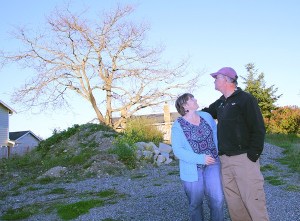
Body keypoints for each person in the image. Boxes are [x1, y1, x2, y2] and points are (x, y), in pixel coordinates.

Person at [203, 67, 269, 221]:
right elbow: (205, 113)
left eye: (216, 77)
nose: (214, 81)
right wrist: (187, 110)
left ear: (227, 79)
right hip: (225, 161)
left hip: (244, 160)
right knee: (235, 205)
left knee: (253, 202)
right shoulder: (220, 103)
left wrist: (252, 155)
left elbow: (258, 128)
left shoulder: (245, 99)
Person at [171, 93, 224, 221]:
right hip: (192, 168)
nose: (195, 99)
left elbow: (216, 135)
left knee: (217, 200)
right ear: (185, 105)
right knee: (195, 203)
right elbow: (178, 150)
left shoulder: (206, 116)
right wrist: (201, 159)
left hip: (213, 163)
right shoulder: (178, 125)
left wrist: (218, 153)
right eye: (192, 99)